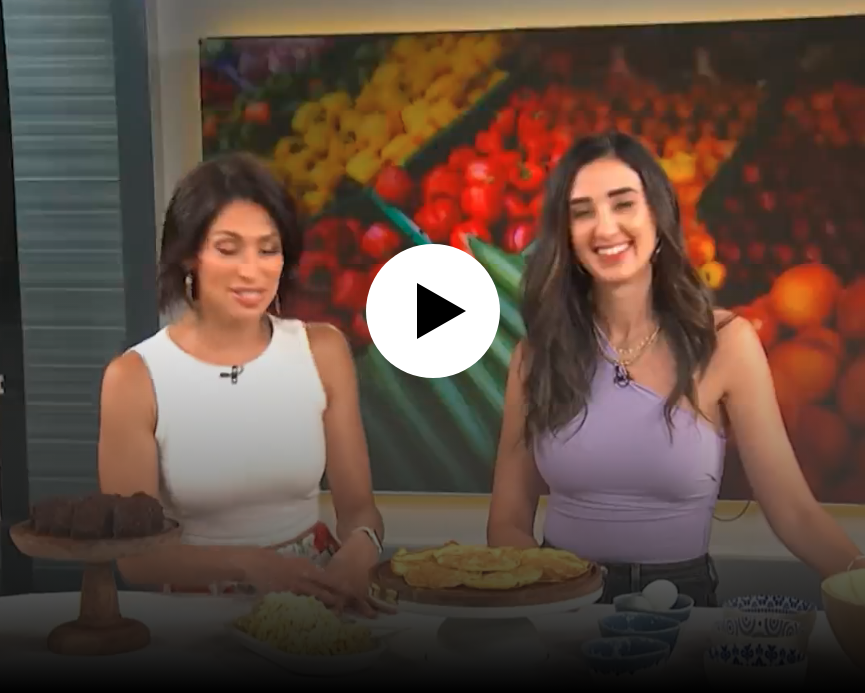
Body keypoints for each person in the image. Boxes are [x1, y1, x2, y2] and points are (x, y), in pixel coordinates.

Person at [487, 131, 864, 606]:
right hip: (561, 602)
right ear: (566, 235)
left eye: (623, 204)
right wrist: (553, 593)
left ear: (658, 214)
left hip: (679, 605)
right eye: (582, 212)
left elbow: (795, 513)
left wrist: (858, 578)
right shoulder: (536, 355)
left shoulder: (726, 343)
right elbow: (507, 520)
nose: (605, 228)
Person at [98, 152, 387, 616]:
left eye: (267, 249)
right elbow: (136, 559)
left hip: (318, 602)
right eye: (228, 249)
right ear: (188, 256)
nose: (252, 271)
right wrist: (249, 565)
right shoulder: (134, 378)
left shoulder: (323, 351)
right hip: (200, 612)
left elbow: (360, 513)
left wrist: (359, 552)